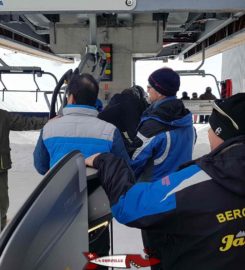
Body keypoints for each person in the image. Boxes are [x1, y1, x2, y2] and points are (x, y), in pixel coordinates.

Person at [86, 92, 245, 270]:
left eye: (212, 127)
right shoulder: (186, 128)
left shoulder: (195, 184)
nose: (207, 132)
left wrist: (108, 162)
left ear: (222, 133)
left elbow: (129, 206)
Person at [33, 72, 130, 259]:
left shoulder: (50, 128)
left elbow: (41, 166)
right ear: (94, 99)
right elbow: (124, 168)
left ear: (71, 97)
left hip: (60, 209)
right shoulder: (109, 131)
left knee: (64, 256)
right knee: (97, 257)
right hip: (98, 210)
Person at [131, 68, 194, 181]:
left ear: (160, 92)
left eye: (149, 87)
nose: (147, 90)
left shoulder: (152, 126)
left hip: (156, 192)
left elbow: (133, 163)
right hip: (181, 187)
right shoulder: (188, 122)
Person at [0, 110, 48, 230]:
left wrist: (48, 121)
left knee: (2, 203)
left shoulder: (3, 115)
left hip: (0, 169)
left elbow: (26, 122)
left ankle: (1, 229)